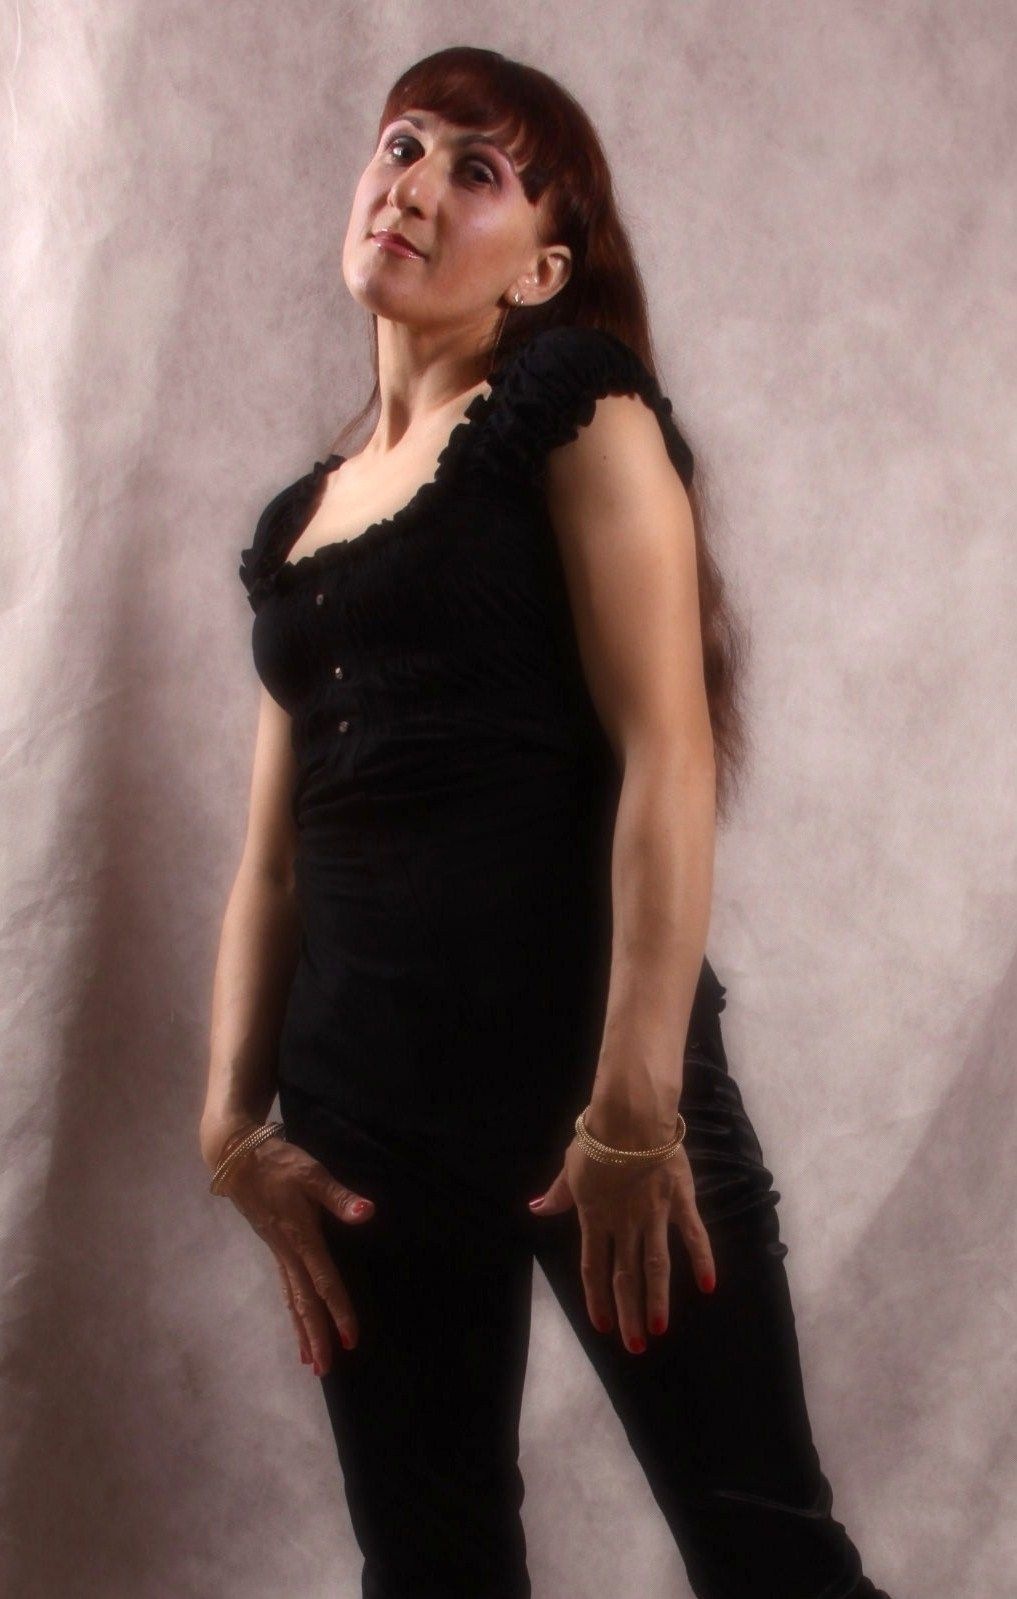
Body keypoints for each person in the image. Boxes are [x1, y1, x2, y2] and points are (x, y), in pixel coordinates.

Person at [199, 45, 895, 1599]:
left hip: (592, 1094)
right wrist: (230, 1124)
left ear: (542, 268)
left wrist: (634, 1110)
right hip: (361, 1128)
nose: (414, 184)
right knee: (431, 1573)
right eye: (402, 144)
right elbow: (274, 857)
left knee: (769, 1559)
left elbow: (667, 753)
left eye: (477, 171)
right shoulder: (296, 522)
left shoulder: (569, 406)